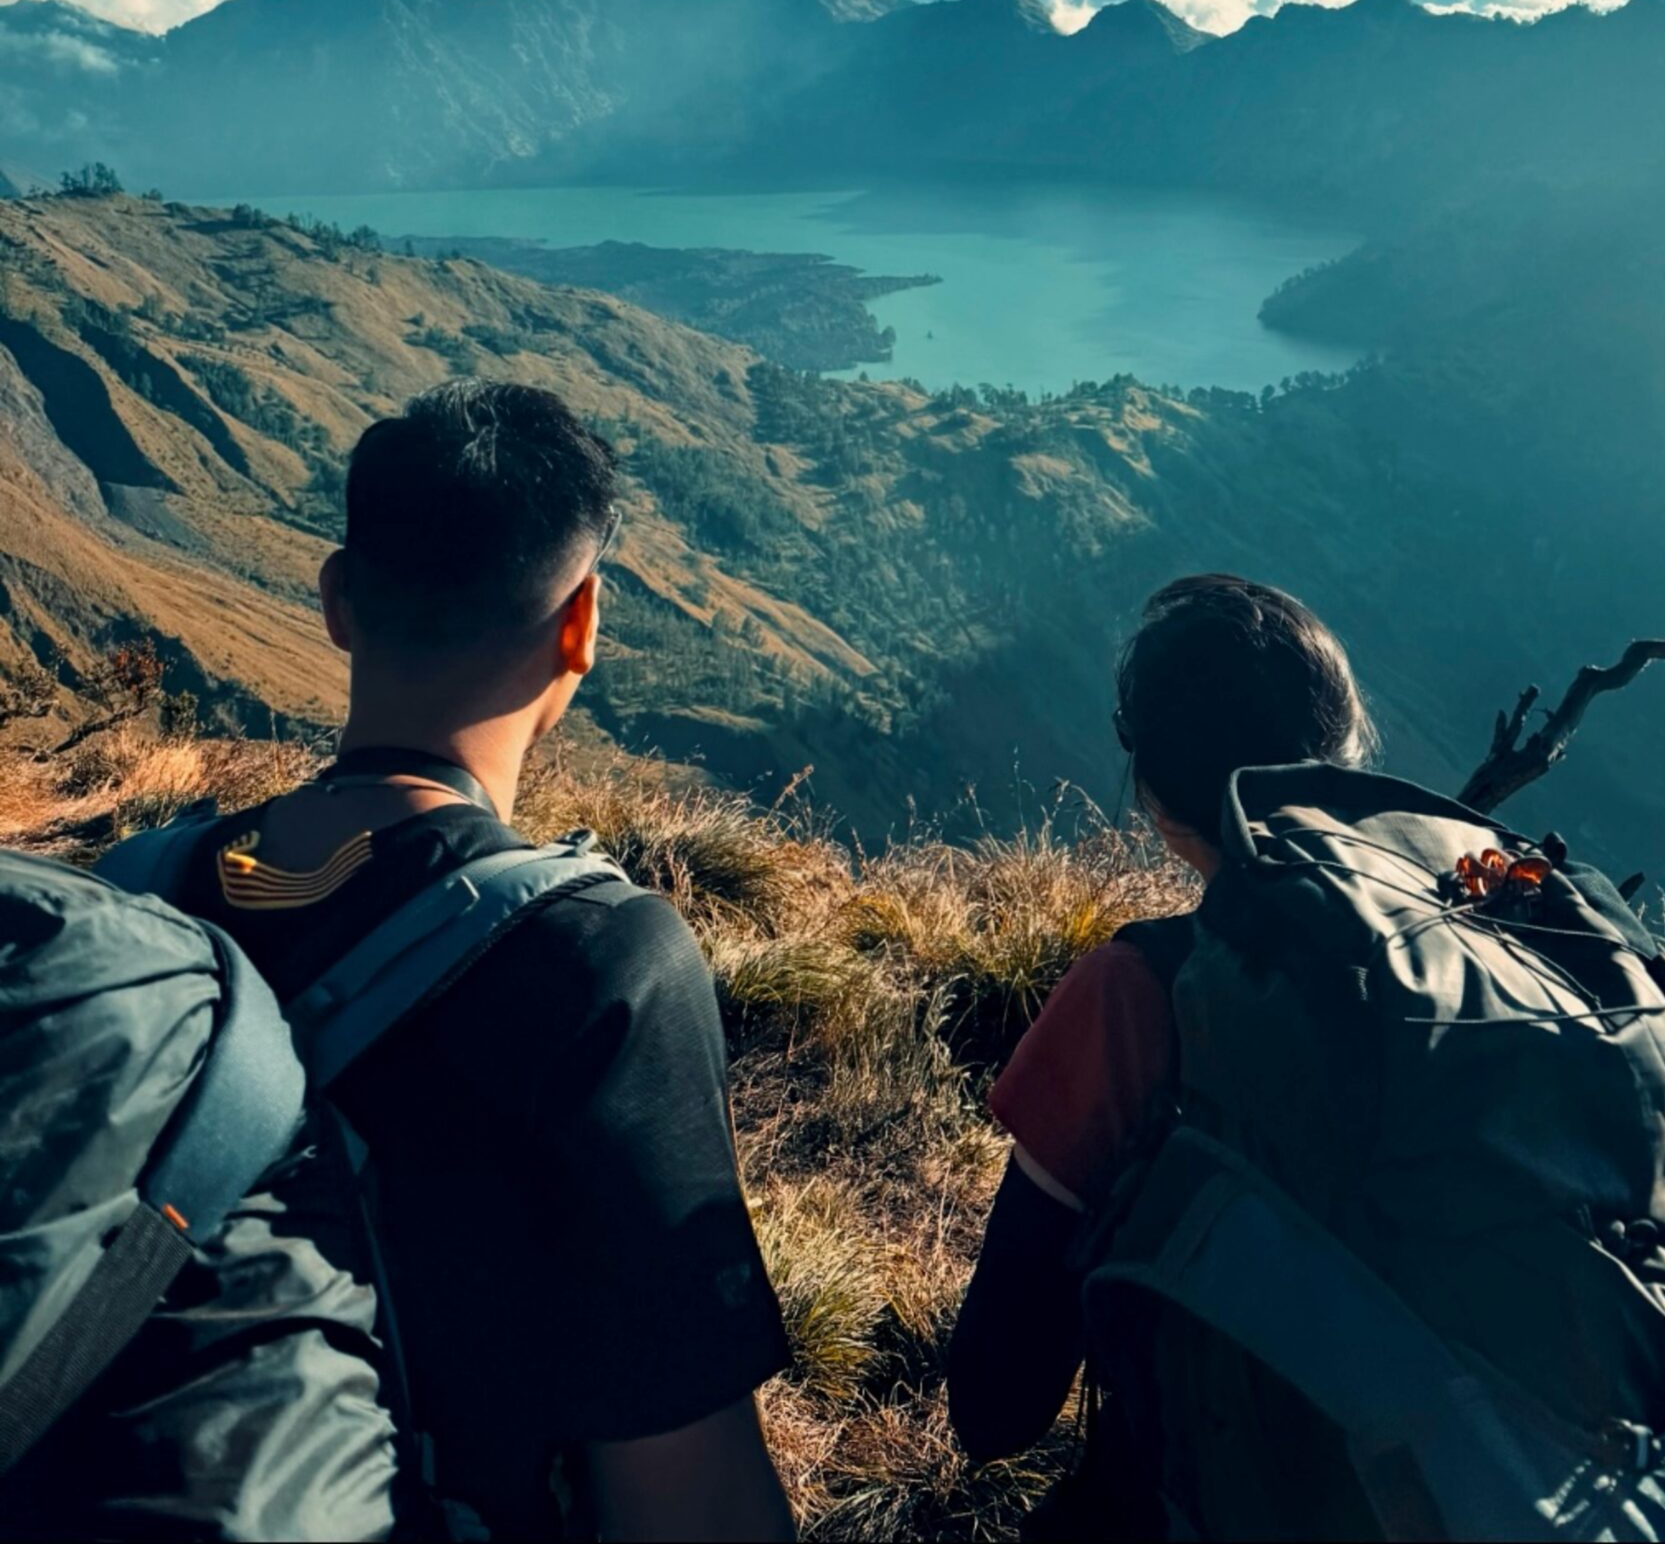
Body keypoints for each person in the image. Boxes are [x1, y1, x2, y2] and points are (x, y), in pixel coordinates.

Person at [139, 379, 794, 1543]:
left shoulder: (134, 899)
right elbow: (687, 1493)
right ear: (580, 625)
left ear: (337, 600)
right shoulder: (598, 959)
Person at [945, 573, 1378, 1528]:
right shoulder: (1504, 961)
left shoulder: (1141, 997)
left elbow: (994, 1407)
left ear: (1153, 791)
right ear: (1345, 755)